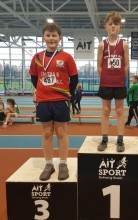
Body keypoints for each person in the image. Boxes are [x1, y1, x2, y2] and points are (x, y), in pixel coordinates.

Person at [29, 22, 78, 181]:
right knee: (47, 132)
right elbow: (34, 78)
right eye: (48, 35)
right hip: (43, 101)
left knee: (62, 132)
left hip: (60, 100)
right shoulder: (37, 58)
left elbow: (74, 78)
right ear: (44, 37)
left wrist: (67, 94)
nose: (51, 38)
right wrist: (43, 90)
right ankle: (49, 164)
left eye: (54, 35)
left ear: (59, 38)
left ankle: (63, 163)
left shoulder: (66, 57)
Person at [97, 11, 129, 152]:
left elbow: (127, 64)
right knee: (105, 110)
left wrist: (121, 77)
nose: (113, 27)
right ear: (106, 27)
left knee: (120, 111)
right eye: (110, 24)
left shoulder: (124, 44)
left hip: (120, 83)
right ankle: (104, 138)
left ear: (120, 27)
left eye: (116, 24)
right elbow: (99, 65)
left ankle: (120, 140)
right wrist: (104, 77)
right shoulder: (101, 45)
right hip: (106, 83)